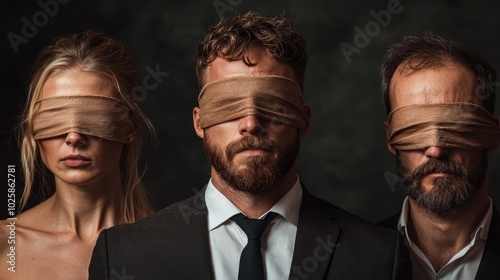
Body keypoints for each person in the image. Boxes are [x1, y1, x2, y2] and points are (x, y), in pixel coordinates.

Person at [89, 12, 411, 280]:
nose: (251, 123)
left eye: (273, 103)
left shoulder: (378, 257)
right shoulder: (125, 255)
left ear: (304, 118)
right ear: (199, 122)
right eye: (228, 105)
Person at [0, 30, 155, 280]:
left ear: (129, 129)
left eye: (93, 117)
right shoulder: (5, 247)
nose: (73, 137)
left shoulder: (173, 245)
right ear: (34, 127)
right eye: (55, 117)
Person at [378, 32, 500, 279]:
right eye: (414, 128)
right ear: (391, 137)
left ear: (492, 133)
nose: (435, 149)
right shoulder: (349, 257)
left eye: (456, 127)